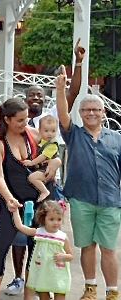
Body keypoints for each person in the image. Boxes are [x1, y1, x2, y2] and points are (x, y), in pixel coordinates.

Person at [6, 42, 84, 295]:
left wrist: (78, 63)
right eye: (32, 96)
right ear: (25, 100)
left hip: (47, 186)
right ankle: (21, 278)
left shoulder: (50, 116)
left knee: (49, 233)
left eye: (40, 95)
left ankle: (48, 276)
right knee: (22, 236)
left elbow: (71, 94)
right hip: (20, 186)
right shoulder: (17, 123)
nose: (36, 98)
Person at [0, 97, 61, 300]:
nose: (24, 124)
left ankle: (29, 296)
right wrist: (9, 199)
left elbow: (54, 150)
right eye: (20, 120)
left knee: (36, 251)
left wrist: (56, 161)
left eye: (27, 119)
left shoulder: (33, 135)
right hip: (10, 202)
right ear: (7, 119)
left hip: (38, 202)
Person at [56, 72, 120, 300]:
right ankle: (90, 288)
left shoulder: (116, 138)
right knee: (88, 246)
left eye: (96, 109)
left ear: (103, 113)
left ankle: (112, 291)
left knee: (109, 248)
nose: (91, 113)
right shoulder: (73, 134)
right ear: (81, 114)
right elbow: (63, 112)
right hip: (81, 199)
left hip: (111, 201)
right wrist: (61, 91)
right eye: (86, 110)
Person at [11, 200, 72, 300]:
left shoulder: (63, 237)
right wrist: (15, 211)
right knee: (43, 295)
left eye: (59, 219)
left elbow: (70, 256)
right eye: (51, 219)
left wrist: (63, 256)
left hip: (58, 272)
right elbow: (20, 227)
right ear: (44, 219)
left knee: (60, 294)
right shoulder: (40, 232)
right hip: (43, 272)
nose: (56, 223)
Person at [22, 115, 60, 202]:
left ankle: (44, 191)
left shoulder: (52, 144)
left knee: (32, 178)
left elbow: (43, 156)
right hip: (43, 168)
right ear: (39, 131)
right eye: (46, 131)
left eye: (53, 131)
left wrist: (31, 163)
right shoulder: (42, 141)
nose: (50, 134)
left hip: (45, 169)